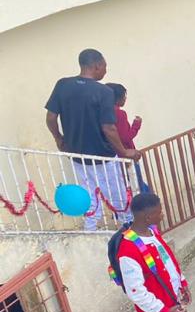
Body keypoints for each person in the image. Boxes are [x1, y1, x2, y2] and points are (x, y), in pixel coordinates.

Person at [46, 49, 139, 231]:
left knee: (88, 193)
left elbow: (50, 117)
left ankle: (90, 228)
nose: (105, 70)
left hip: (76, 154)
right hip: (102, 154)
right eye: (105, 66)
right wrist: (123, 151)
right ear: (97, 66)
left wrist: (59, 138)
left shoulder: (62, 85)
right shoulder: (104, 92)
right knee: (117, 193)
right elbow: (109, 128)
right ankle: (128, 226)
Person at [109, 82, 150, 193]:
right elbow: (126, 137)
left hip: (113, 156)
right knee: (137, 183)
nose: (125, 99)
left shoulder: (103, 113)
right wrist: (136, 125)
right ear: (118, 98)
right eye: (124, 96)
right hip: (126, 154)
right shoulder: (119, 113)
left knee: (128, 184)